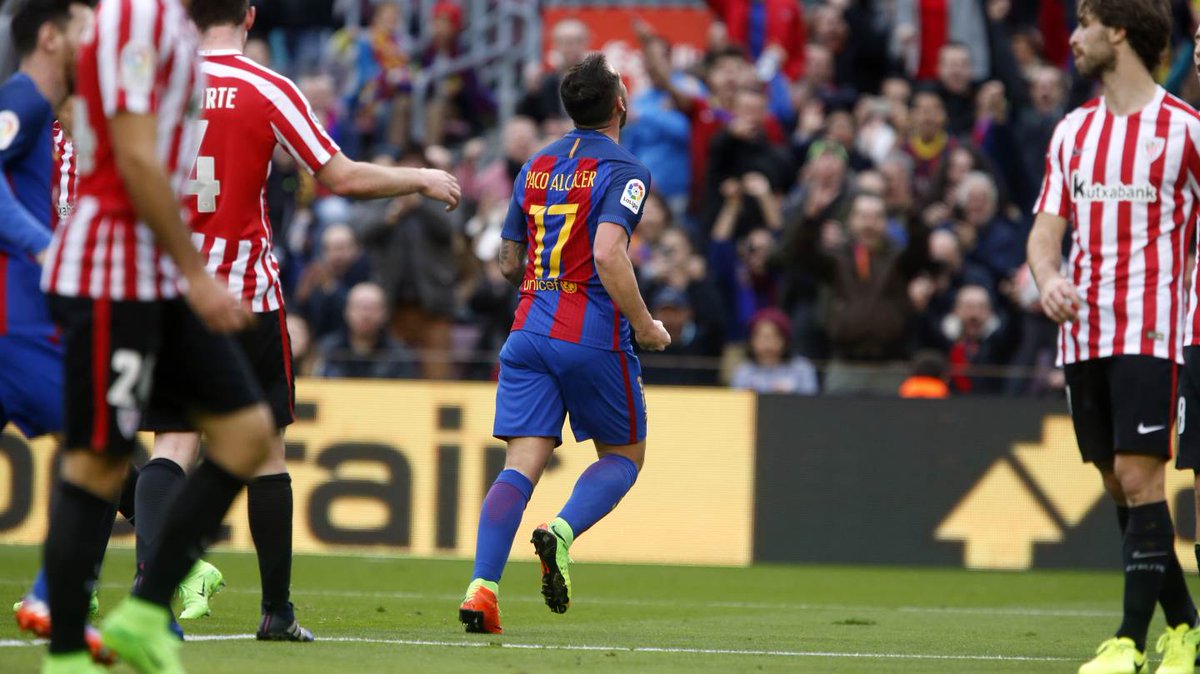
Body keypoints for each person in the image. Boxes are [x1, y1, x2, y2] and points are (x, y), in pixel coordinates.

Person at [131, 0, 460, 644]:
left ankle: (150, 605)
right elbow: (340, 177)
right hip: (244, 295)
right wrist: (419, 177)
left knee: (171, 445)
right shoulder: (265, 86)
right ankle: (276, 611)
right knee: (265, 451)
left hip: (168, 290)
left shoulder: (152, 82)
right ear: (250, 16)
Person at [37, 0, 276, 669]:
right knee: (98, 461)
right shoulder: (136, 21)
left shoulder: (167, 28)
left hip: (153, 273)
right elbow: (138, 159)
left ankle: (143, 613)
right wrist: (198, 277)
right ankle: (65, 652)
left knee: (246, 432)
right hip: (113, 272)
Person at [457, 52, 670, 635]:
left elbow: (508, 261)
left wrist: (541, 286)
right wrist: (645, 324)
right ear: (620, 104)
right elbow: (607, 253)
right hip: (592, 336)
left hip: (528, 331)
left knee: (519, 467)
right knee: (623, 458)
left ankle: (482, 589)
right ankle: (562, 530)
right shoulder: (626, 171)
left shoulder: (534, 165)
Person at [1026, 2, 1200, 671]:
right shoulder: (1073, 131)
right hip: (1083, 333)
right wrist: (1048, 279)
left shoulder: (1185, 131)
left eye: (1084, 24)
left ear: (1119, 30)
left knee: (1137, 474)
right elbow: (1045, 232)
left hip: (1153, 329)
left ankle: (1127, 644)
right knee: (1119, 485)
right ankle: (1186, 628)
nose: (1072, 38)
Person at [0, 1, 117, 665]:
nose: (91, 40)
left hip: (19, 322)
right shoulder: (23, 100)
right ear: (50, 37)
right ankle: (51, 597)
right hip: (15, 328)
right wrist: (41, 243)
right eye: (81, 28)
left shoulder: (45, 111)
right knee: (102, 440)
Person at [314, 281, 415, 379]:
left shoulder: (399, 355)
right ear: (346, 311)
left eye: (372, 308)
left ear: (385, 314)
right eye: (359, 307)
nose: (366, 315)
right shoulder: (328, 349)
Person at [730, 308, 818, 394]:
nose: (767, 342)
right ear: (751, 341)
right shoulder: (744, 372)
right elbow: (736, 401)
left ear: (784, 340)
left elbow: (812, 400)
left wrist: (788, 397)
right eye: (761, 336)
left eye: (773, 336)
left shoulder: (802, 369)